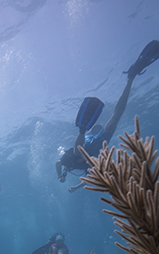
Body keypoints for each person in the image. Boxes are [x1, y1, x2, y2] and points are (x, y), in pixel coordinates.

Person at [56, 40, 159, 193]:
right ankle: (131, 77)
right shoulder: (86, 167)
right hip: (97, 147)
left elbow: (58, 163)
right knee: (115, 120)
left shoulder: (67, 160)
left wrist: (59, 177)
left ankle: (83, 130)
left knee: (79, 150)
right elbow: (89, 178)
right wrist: (76, 188)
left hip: (86, 144)